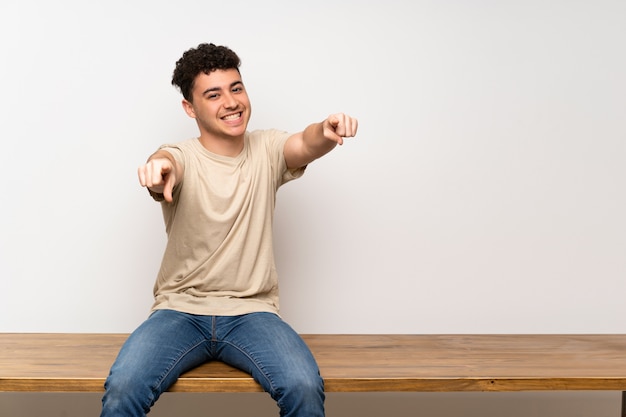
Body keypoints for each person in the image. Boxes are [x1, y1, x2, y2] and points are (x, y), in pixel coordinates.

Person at [100, 43, 358, 417]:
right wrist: (156, 171)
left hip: (253, 313)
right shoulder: (181, 154)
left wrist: (327, 128)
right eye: (213, 94)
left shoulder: (267, 149)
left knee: (303, 386)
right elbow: (165, 164)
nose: (231, 102)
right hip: (179, 311)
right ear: (190, 108)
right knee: (124, 387)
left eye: (236, 88)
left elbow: (305, 142)